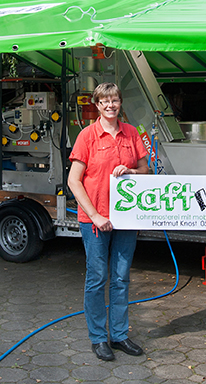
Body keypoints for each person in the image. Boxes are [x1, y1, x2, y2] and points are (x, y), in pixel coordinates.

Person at [67, 82, 150, 362]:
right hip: (95, 221)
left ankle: (119, 334)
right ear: (97, 105)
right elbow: (73, 181)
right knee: (97, 278)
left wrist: (131, 171)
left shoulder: (131, 133)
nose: (110, 105)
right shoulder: (87, 136)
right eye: (105, 101)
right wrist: (95, 215)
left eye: (115, 100)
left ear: (120, 103)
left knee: (121, 277)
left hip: (126, 218)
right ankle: (98, 338)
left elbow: (146, 171)